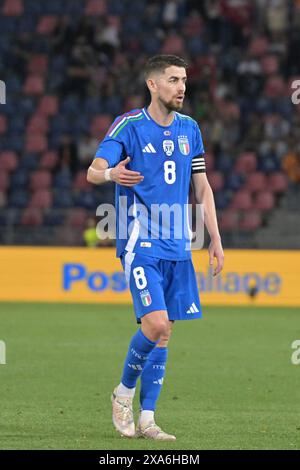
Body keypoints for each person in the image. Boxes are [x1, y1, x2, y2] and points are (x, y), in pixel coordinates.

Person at [87, 55, 224, 441]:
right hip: (139, 240)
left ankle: (148, 419)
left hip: (179, 245)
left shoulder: (190, 128)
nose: (182, 87)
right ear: (153, 84)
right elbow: (93, 171)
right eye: (173, 80)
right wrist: (111, 173)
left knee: (164, 336)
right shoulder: (129, 126)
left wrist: (214, 236)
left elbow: (201, 186)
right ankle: (123, 393)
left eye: (184, 79)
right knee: (156, 324)